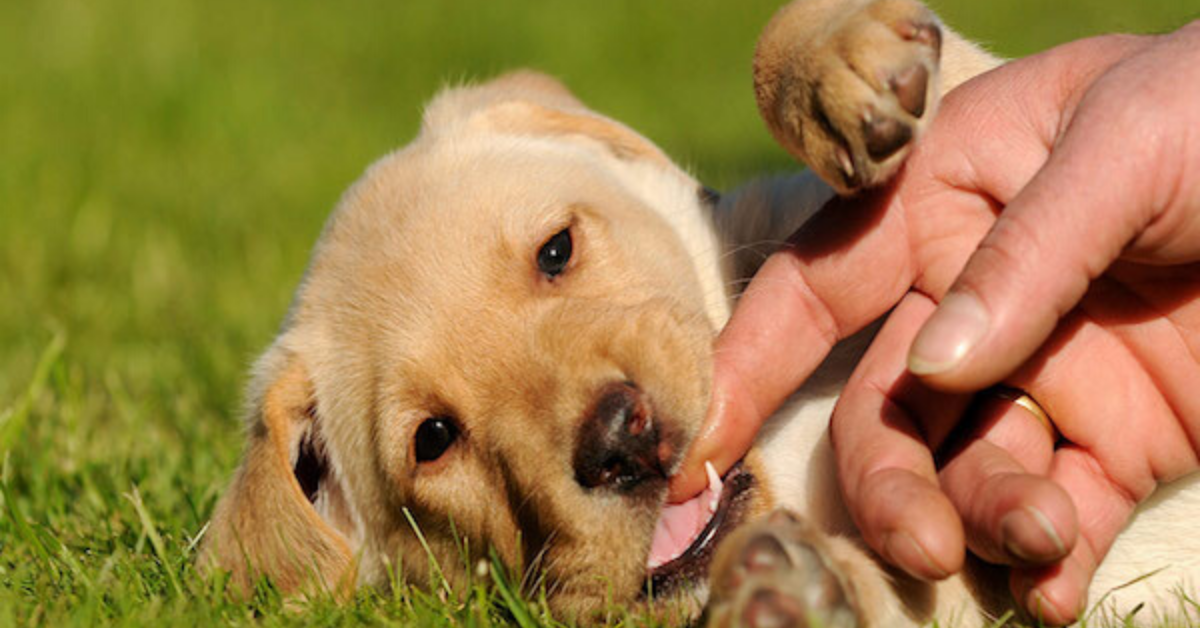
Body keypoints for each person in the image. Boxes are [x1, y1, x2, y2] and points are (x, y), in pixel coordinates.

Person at [668, 20, 1200, 626]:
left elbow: (975, 152)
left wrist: (804, 54)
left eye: (559, 255)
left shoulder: (752, 235)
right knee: (943, 530)